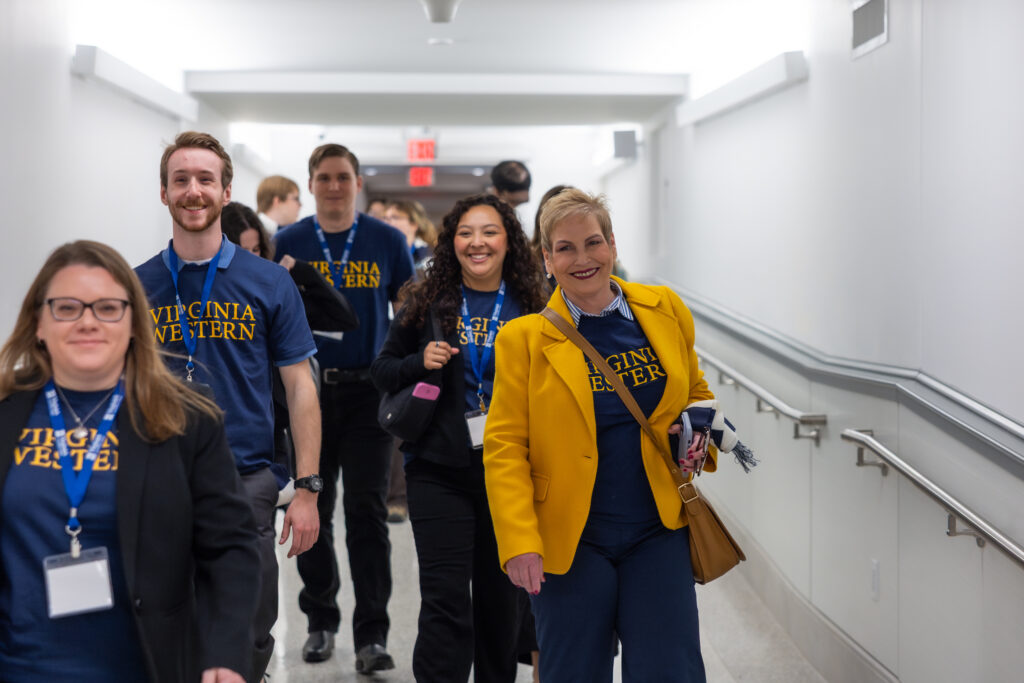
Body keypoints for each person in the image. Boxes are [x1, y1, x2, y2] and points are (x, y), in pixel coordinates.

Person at [483, 188, 716, 682]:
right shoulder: (523, 339)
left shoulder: (664, 309)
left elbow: (695, 389)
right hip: (571, 539)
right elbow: (505, 448)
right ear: (546, 259)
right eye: (565, 248)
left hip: (658, 528)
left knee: (670, 668)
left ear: (612, 243)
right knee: (574, 671)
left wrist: (698, 432)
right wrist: (518, 540)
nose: (583, 259)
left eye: (593, 242)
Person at [0, 240, 260, 682]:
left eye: (107, 308)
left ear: (135, 321)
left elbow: (230, 546)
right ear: (39, 323)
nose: (87, 322)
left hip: (144, 665)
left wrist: (227, 651)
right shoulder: (6, 411)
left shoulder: (186, 418)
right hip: (20, 666)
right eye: (67, 308)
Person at [135, 132, 322, 683]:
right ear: (164, 193)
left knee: (250, 621)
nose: (194, 191)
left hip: (246, 477)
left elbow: (301, 389)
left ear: (225, 190)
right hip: (158, 476)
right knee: (162, 616)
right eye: (181, 180)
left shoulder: (269, 282)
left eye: (205, 179)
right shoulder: (137, 285)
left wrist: (307, 488)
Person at [371, 194, 546, 682]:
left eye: (490, 232)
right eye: (466, 233)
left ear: (509, 241)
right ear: (452, 242)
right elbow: (381, 370)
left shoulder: (535, 305)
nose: (477, 242)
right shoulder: (426, 300)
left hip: (510, 475)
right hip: (438, 470)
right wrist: (418, 360)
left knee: (501, 603)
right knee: (445, 601)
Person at [273, 143, 415, 673]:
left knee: (367, 515)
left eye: (344, 177)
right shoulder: (288, 241)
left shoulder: (387, 240)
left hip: (367, 395)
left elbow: (408, 312)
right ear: (311, 183)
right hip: (306, 393)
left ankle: (373, 635)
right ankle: (320, 621)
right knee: (310, 509)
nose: (334, 186)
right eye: (325, 177)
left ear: (357, 183)